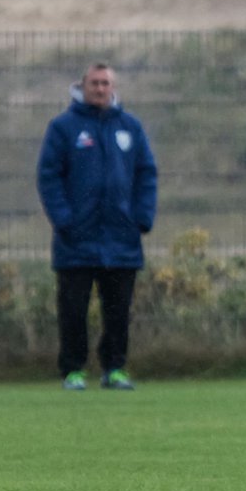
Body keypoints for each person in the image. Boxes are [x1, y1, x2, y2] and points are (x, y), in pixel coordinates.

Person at [36, 63, 158, 392]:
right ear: (83, 85)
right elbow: (49, 177)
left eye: (106, 83)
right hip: (76, 238)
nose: (101, 89)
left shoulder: (130, 127)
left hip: (121, 238)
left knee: (118, 311)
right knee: (73, 310)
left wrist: (142, 217)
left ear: (113, 87)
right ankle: (73, 371)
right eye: (95, 83)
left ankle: (115, 368)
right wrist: (64, 220)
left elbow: (147, 173)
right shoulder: (63, 128)